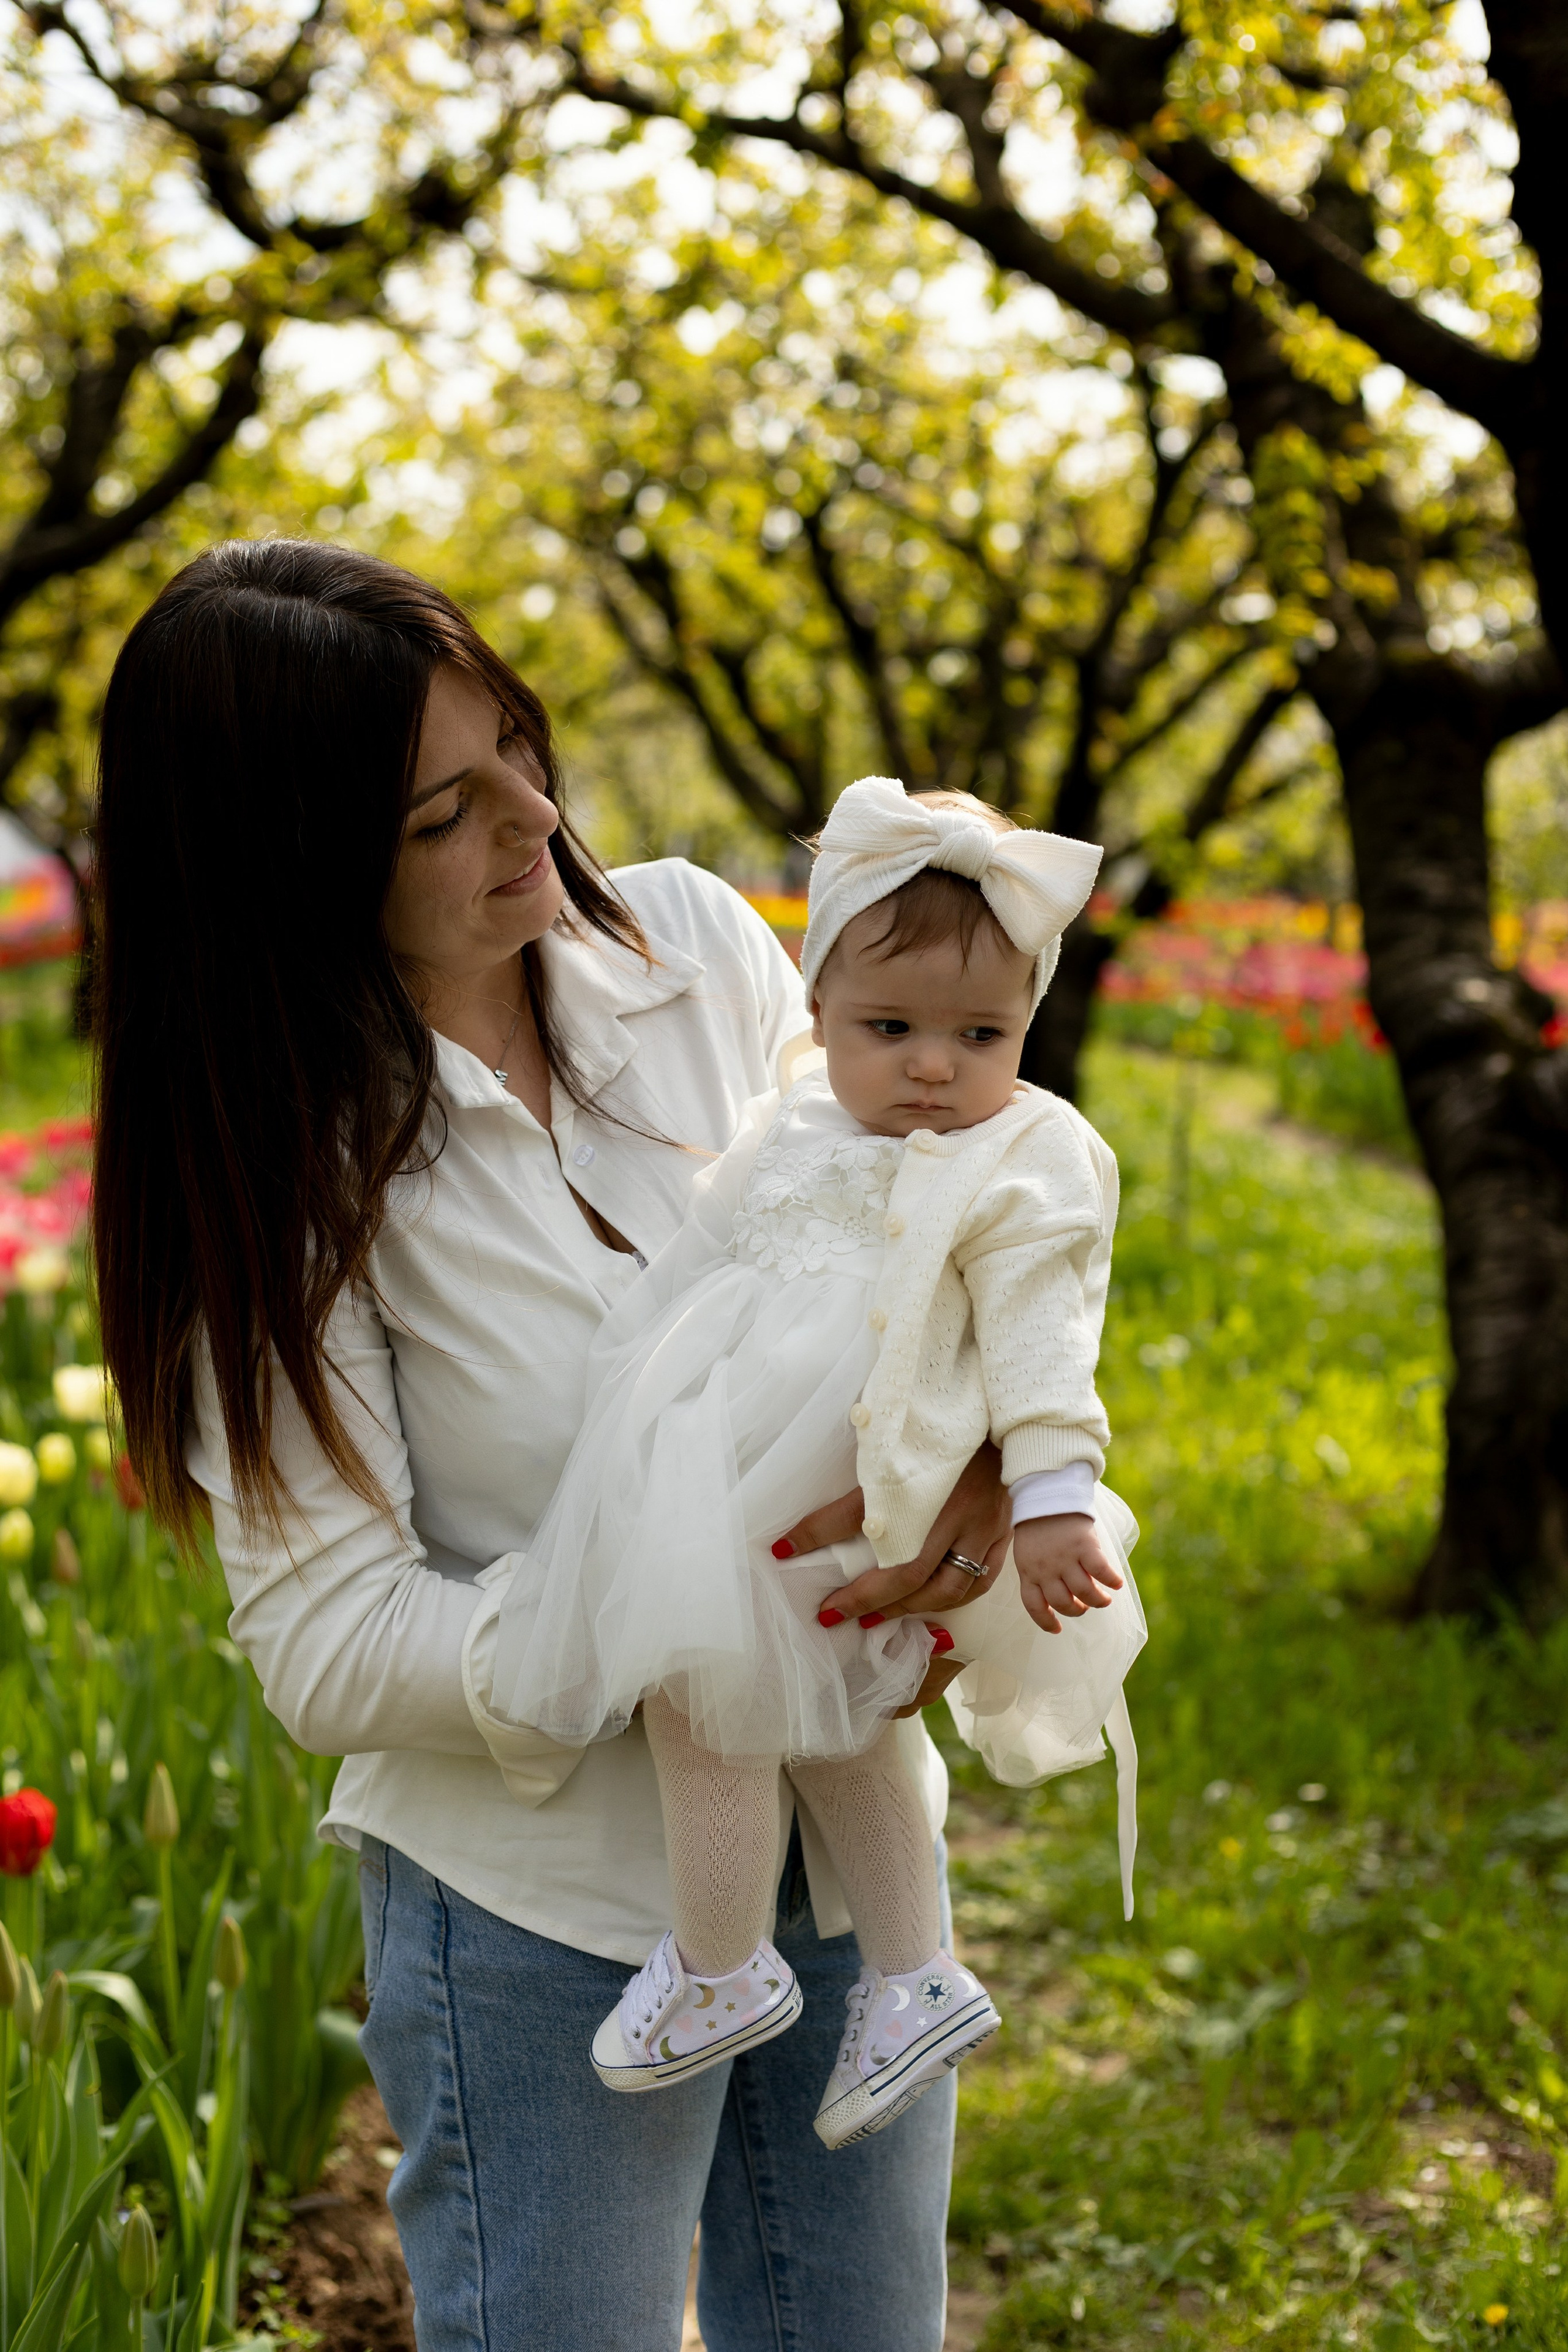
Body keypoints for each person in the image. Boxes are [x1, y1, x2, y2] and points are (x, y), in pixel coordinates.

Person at [90, 540, 1030, 2352]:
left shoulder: (689, 949)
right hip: (542, 1925)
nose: (533, 813)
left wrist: (978, 1461)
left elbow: (908, 1250)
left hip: (845, 1872)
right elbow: (327, 1641)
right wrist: (669, 1620)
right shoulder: (286, 1179)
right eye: (446, 811)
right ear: (295, 870)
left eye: (518, 744)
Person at [481, 780, 1145, 2150]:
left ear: (1029, 1025)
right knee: (833, 1715)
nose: (931, 1068)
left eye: (983, 1033)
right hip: (737, 1452)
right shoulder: (794, 1121)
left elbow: (1040, 1343)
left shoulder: (1019, 1158)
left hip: (855, 1465)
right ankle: (913, 1977)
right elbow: (703, 1247)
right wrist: (630, 1372)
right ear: (819, 1005)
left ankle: (725, 1966)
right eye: (886, 1028)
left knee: (714, 1697)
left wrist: (1049, 1498)